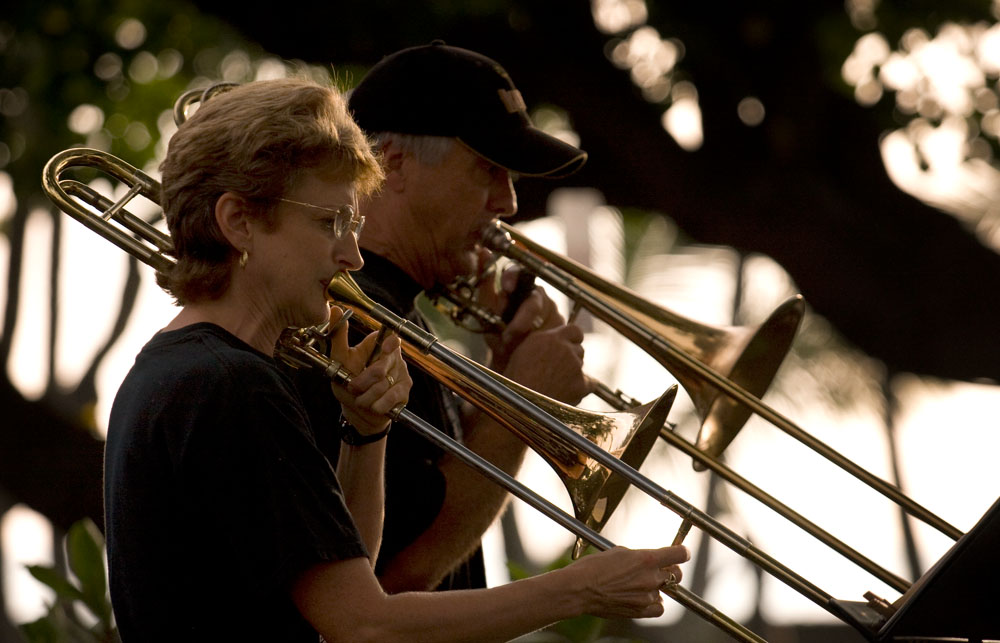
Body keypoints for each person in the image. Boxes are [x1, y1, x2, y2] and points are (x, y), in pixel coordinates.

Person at [102, 77, 688, 642]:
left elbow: (342, 586)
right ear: (239, 222)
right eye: (330, 222)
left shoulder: (184, 368)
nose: (353, 255)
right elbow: (365, 627)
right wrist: (577, 591)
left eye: (354, 224)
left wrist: (365, 435)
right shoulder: (231, 383)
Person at [302, 41, 599, 594]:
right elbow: (399, 576)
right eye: (490, 169)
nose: (507, 202)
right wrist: (524, 406)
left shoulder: (393, 310)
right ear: (391, 166)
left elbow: (423, 490)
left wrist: (504, 371)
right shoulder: (350, 316)